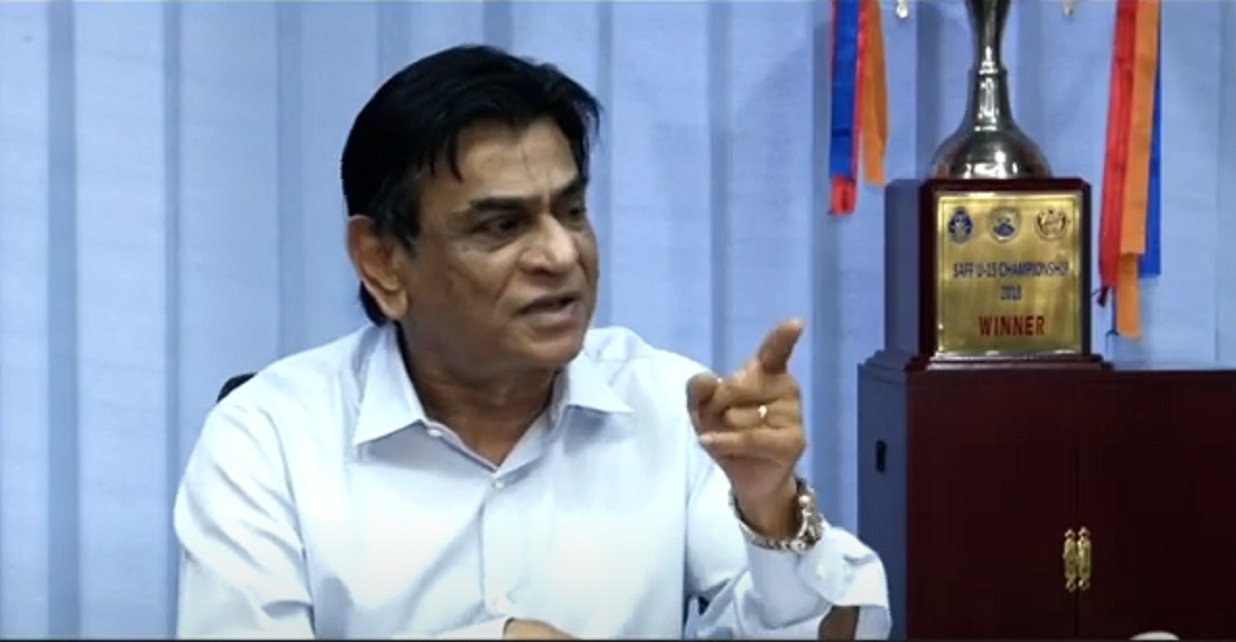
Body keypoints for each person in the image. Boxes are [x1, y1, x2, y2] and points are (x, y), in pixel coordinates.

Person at [173, 44, 890, 640]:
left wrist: (770, 511)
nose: (561, 254)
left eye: (571, 210)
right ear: (382, 261)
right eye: (501, 226)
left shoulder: (672, 407)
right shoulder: (268, 439)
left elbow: (831, 631)